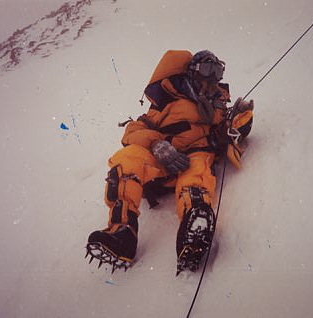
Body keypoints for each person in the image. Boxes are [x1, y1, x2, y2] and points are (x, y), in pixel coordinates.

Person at [85, 50, 254, 274]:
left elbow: (228, 134)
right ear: (192, 72)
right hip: (160, 162)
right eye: (206, 69)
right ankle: (121, 233)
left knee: (197, 171)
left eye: (217, 70)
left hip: (195, 156)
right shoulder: (167, 104)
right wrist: (157, 145)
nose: (211, 77)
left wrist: (240, 119)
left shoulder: (219, 109)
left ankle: (194, 228)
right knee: (128, 158)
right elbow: (133, 130)